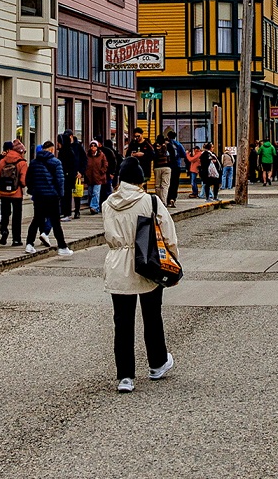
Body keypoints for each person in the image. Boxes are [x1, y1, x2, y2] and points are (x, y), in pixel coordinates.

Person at [102, 159, 178, 392]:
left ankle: (125, 376)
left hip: (117, 264)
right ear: (140, 180)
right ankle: (157, 363)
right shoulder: (150, 201)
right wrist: (173, 262)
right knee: (152, 316)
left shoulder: (107, 204)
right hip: (148, 262)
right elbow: (169, 235)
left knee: (122, 321)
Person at [26, 138, 72, 255]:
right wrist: (60, 194)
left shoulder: (34, 162)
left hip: (38, 195)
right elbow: (60, 180)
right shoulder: (56, 162)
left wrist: (33, 190)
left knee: (36, 219)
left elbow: (28, 179)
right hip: (52, 195)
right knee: (55, 222)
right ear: (51, 150)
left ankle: (29, 244)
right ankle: (62, 246)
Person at [0, 140, 28, 246]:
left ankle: (4, 229)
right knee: (17, 216)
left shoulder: (3, 161)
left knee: (5, 213)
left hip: (3, 192)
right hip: (16, 193)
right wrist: (23, 186)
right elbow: (23, 181)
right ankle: (16, 239)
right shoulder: (22, 162)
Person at [87, 140, 110, 215]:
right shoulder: (88, 155)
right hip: (90, 177)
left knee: (95, 193)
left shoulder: (101, 155)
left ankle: (94, 207)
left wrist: (102, 171)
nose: (93, 147)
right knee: (90, 193)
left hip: (98, 177)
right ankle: (94, 207)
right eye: (91, 146)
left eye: (94, 146)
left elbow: (105, 164)